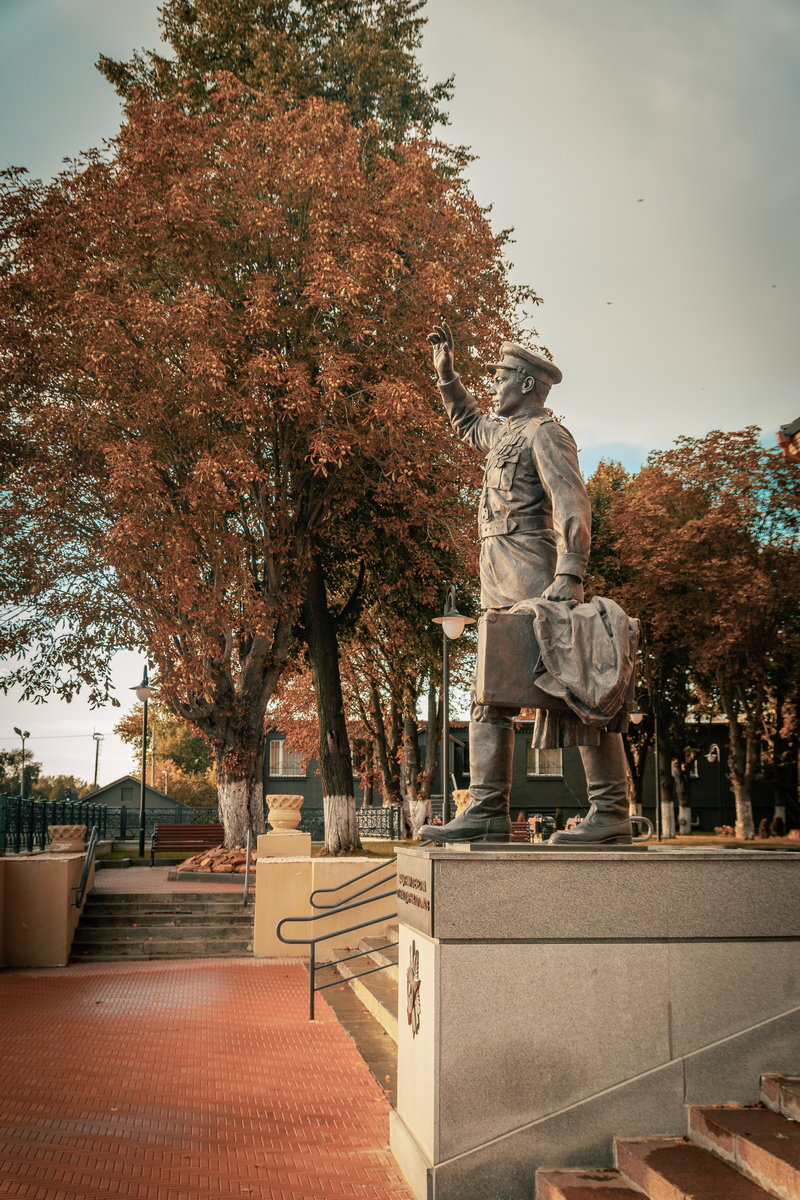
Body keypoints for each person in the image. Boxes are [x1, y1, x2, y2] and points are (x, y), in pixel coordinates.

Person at [418, 322, 633, 845]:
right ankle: (489, 812)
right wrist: (446, 376)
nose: (493, 386)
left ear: (529, 385)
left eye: (502, 377)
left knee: (575, 687)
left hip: (537, 578)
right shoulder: (505, 432)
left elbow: (571, 501)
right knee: (489, 692)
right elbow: (468, 420)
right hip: (497, 575)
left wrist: (570, 572)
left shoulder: (545, 433)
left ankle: (611, 811)